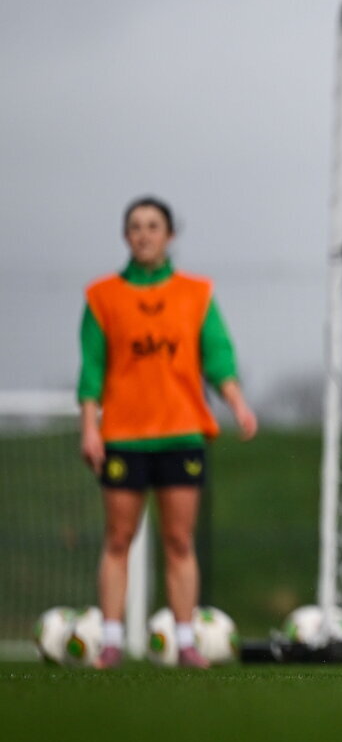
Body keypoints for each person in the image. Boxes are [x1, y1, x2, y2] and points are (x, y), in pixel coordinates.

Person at [78, 197, 257, 668]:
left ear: (169, 235)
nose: (144, 234)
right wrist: (89, 428)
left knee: (179, 542)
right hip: (122, 436)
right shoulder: (102, 297)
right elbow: (92, 368)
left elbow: (217, 355)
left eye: (153, 226)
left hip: (181, 434)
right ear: (126, 236)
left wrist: (237, 403)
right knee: (118, 539)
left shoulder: (195, 294)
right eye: (135, 226)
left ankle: (186, 641)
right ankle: (112, 640)